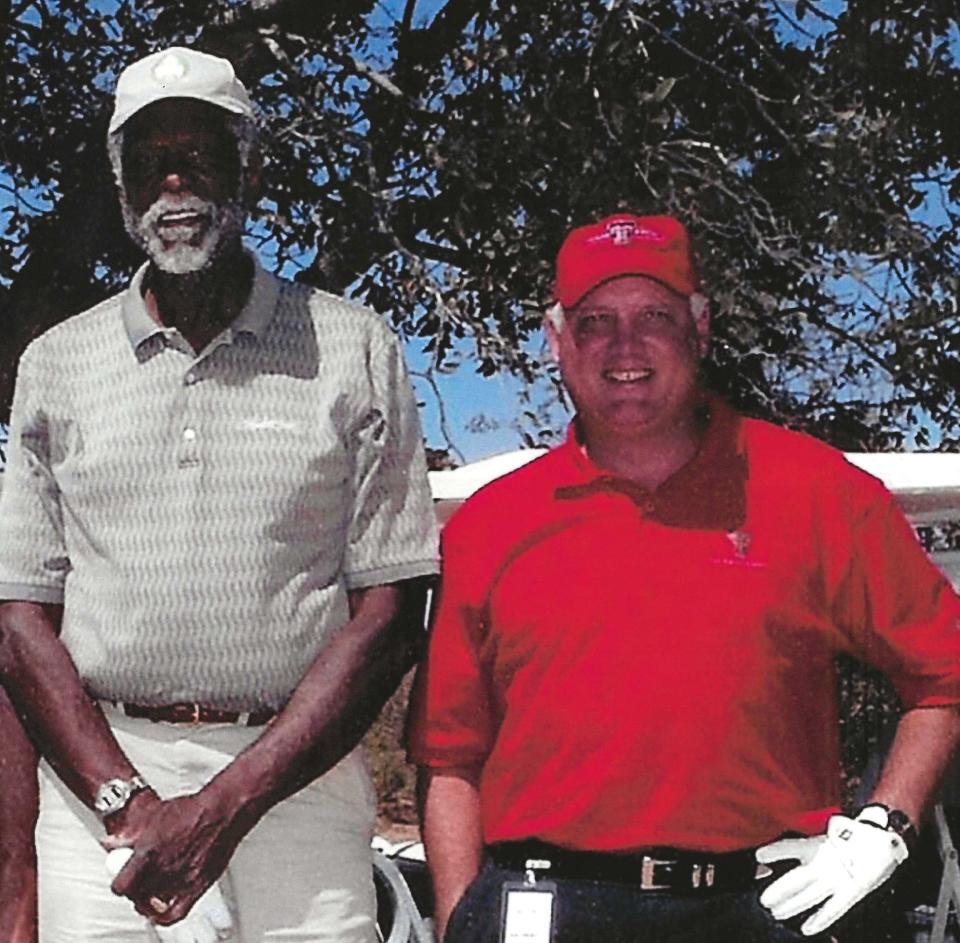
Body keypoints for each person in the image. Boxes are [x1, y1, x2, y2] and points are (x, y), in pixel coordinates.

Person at [407, 212, 960, 942]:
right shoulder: (489, 524)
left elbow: (944, 672)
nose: (624, 345)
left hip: (766, 902)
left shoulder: (820, 491)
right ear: (556, 339)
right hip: (548, 903)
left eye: (654, 317)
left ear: (700, 327)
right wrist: (459, 921)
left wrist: (883, 826)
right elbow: (449, 759)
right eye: (596, 319)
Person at [0, 45, 438, 942]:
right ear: (119, 181)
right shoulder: (56, 362)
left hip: (299, 785)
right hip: (100, 797)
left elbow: (392, 612)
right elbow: (18, 619)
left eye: (200, 152)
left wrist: (225, 803)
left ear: (251, 166)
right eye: (149, 158)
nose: (174, 181)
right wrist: (127, 801)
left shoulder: (354, 346)